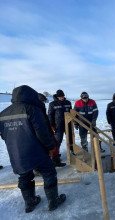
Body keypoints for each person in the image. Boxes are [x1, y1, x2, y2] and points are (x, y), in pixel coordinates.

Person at [0, 85, 66, 213]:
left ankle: (30, 203)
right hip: (37, 151)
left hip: (16, 153)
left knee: (24, 176)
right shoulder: (32, 110)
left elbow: (4, 135)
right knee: (49, 173)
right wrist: (51, 147)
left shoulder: (3, 113)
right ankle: (53, 201)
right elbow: (41, 132)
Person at [37, 93, 63, 167]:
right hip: (40, 132)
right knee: (43, 148)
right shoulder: (34, 109)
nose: (43, 103)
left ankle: (55, 160)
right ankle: (41, 166)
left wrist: (50, 127)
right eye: (42, 101)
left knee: (55, 144)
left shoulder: (41, 108)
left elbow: (46, 119)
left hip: (47, 129)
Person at [48, 89, 72, 165]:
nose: (61, 98)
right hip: (58, 125)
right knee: (57, 140)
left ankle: (72, 150)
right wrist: (51, 125)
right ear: (57, 97)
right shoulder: (52, 104)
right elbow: (50, 115)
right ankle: (55, 156)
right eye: (60, 97)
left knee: (70, 138)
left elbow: (72, 112)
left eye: (62, 96)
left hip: (68, 123)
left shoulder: (68, 102)